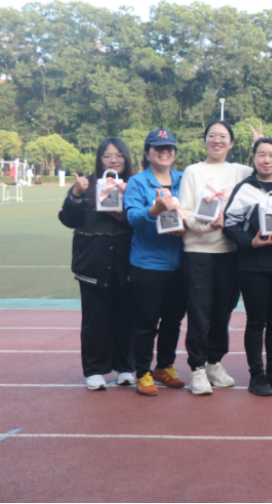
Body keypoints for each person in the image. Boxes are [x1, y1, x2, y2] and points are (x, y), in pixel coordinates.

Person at [178, 120, 256, 396]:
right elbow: (185, 212)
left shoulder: (240, 171)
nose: (217, 140)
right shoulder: (193, 172)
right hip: (198, 252)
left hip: (230, 253)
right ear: (205, 140)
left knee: (223, 312)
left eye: (223, 136)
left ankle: (214, 362)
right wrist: (206, 227)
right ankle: (197, 367)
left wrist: (259, 145)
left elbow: (271, 176)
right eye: (212, 135)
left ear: (232, 143)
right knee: (199, 312)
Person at [222, 138, 272, 397]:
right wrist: (251, 242)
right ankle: (257, 376)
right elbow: (229, 225)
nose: (267, 160)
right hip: (252, 265)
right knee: (256, 321)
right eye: (261, 155)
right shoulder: (244, 188)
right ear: (253, 158)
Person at [58, 137, 136, 391]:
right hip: (93, 264)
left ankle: (125, 367)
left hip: (127, 264)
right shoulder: (87, 185)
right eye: (107, 155)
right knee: (95, 321)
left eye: (119, 155)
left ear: (126, 158)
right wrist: (75, 194)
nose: (114, 160)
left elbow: (144, 219)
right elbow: (68, 220)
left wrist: (124, 214)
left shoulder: (135, 185)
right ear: (99, 159)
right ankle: (94, 370)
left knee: (126, 317)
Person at [123, 129, 188, 397]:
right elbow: (133, 218)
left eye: (168, 147)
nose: (164, 152)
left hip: (181, 264)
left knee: (173, 320)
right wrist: (156, 209)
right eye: (158, 147)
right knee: (147, 322)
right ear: (147, 152)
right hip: (147, 264)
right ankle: (143, 372)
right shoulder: (137, 182)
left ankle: (164, 367)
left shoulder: (184, 179)